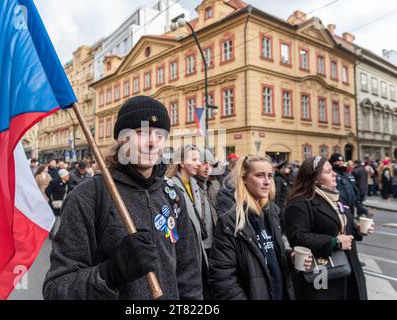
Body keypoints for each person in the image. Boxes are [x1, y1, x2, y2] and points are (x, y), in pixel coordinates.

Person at [43, 96, 202, 300]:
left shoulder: (172, 195)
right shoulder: (88, 197)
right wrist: (110, 273)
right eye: (141, 133)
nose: (152, 142)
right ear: (122, 138)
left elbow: (188, 276)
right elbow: (56, 289)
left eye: (160, 134)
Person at [209, 156, 310, 300]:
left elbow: (268, 254)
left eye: (270, 176)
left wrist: (290, 257)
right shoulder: (230, 220)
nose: (267, 181)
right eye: (259, 175)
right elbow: (222, 278)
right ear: (243, 178)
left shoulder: (272, 212)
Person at [284, 156, 374, 300]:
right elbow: (298, 238)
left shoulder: (334, 198)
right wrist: (334, 242)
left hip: (349, 266)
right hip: (324, 273)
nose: (334, 174)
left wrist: (357, 230)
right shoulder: (299, 203)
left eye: (332, 170)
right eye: (328, 171)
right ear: (314, 178)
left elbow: (341, 228)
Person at [166, 145, 211, 299]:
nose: (199, 163)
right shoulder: (169, 187)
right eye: (194, 159)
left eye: (199, 159)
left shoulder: (196, 186)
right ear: (182, 163)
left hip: (199, 249)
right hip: (181, 253)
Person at [329, 153, 361, 218]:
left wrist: (357, 199)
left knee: (350, 222)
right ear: (332, 162)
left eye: (342, 161)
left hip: (350, 204)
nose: (340, 163)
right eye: (338, 161)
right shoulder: (332, 173)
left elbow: (353, 187)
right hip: (341, 205)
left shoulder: (345, 173)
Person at [45, 169, 70, 239]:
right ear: (63, 176)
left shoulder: (67, 183)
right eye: (67, 175)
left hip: (63, 204)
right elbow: (47, 191)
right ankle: (51, 234)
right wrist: (52, 199)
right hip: (54, 204)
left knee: (64, 219)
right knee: (54, 220)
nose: (68, 176)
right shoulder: (54, 182)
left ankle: (63, 234)